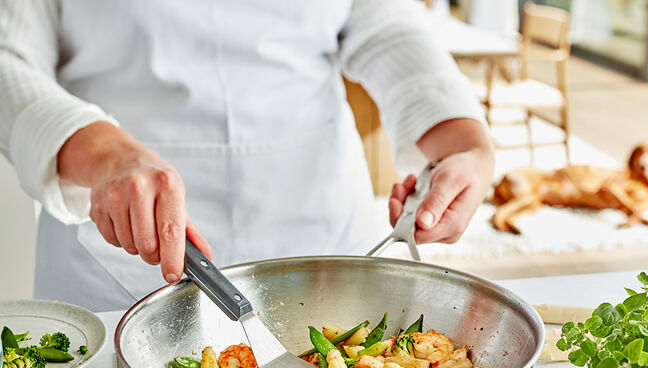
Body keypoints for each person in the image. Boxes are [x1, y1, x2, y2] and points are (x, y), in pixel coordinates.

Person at [0, 0, 493, 312]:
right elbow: (9, 61)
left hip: (320, 236)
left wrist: (461, 137)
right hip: (119, 252)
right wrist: (104, 151)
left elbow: (386, 23)